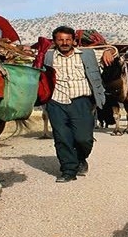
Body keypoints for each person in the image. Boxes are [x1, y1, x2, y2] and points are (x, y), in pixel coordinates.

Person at [43, 26, 114, 182]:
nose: (64, 43)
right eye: (60, 40)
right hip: (56, 102)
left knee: (84, 138)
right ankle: (68, 171)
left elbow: (113, 50)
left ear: (74, 41)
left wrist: (108, 50)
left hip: (81, 101)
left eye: (68, 39)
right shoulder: (47, 56)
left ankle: (80, 158)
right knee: (62, 137)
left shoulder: (88, 54)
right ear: (54, 41)